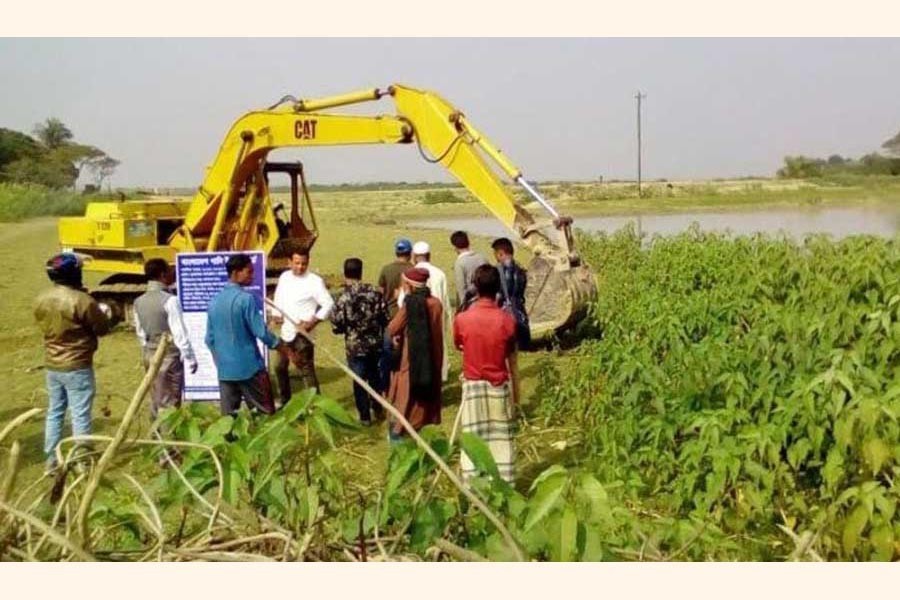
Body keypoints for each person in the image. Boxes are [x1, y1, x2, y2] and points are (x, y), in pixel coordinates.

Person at [34, 252, 112, 472]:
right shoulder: (82, 300)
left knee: (55, 412)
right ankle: (82, 461)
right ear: (74, 273)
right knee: (80, 414)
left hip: (52, 364)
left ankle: (51, 461)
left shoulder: (40, 298)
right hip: (77, 365)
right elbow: (102, 328)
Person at [453, 265, 519, 483]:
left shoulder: (462, 319)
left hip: (473, 387)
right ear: (497, 288)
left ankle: (473, 484)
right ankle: (504, 482)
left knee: (474, 439)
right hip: (498, 387)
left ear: (476, 287)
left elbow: (459, 344)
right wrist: (517, 397)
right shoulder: (506, 320)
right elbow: (512, 359)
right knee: (501, 441)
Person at [205, 254, 282, 416]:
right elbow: (261, 332)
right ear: (235, 273)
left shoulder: (214, 301)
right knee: (265, 415)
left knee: (228, 420)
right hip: (250, 369)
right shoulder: (246, 299)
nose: (252, 276)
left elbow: (209, 340)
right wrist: (282, 347)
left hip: (226, 372)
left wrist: (221, 362)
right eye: (249, 272)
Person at [133, 258, 197, 421]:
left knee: (155, 397)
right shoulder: (170, 300)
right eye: (169, 271)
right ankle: (169, 436)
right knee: (170, 401)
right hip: (169, 357)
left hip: (149, 354)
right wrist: (190, 357)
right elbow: (179, 333)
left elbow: (140, 333)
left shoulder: (138, 301)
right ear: (162, 275)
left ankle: (156, 432)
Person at [386, 267, 444, 442]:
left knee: (405, 393)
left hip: (411, 356)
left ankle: (400, 430)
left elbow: (392, 328)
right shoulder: (436, 303)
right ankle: (420, 425)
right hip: (432, 354)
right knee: (425, 394)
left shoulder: (410, 305)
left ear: (410, 286)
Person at [271, 249, 334, 403]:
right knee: (279, 367)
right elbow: (278, 298)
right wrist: (276, 314)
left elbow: (328, 303)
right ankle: (285, 401)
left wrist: (312, 323)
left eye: (304, 264)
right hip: (286, 332)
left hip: (303, 335)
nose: (300, 267)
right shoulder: (284, 277)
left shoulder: (314, 281)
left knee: (306, 369)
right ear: (289, 262)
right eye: (297, 263)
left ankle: (316, 405)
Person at [331, 257, 389, 425]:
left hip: (355, 346)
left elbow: (336, 325)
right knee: (375, 377)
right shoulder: (375, 293)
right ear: (361, 272)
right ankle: (378, 407)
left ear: (345, 274)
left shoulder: (343, 298)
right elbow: (385, 318)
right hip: (375, 344)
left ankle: (364, 417)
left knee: (359, 381)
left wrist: (347, 329)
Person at [406, 241, 451, 382]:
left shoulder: (410, 274)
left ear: (414, 256)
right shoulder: (440, 274)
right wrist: (447, 321)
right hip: (437, 315)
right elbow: (445, 301)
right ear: (429, 255)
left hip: (417, 318)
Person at [377, 238, 413, 393]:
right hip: (408, 316)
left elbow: (380, 292)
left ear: (396, 252)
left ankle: (385, 387)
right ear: (410, 253)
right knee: (406, 354)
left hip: (390, 316)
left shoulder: (386, 269)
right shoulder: (413, 270)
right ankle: (404, 387)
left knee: (387, 353)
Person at [492, 237, 531, 351]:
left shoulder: (498, 270)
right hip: (519, 309)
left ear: (500, 253)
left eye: (495, 254)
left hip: (505, 311)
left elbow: (500, 294)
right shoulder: (520, 269)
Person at [450, 230, 488, 311]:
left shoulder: (459, 263)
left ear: (455, 247)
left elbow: (461, 289)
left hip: (471, 305)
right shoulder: (482, 258)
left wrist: (462, 309)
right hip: (487, 301)